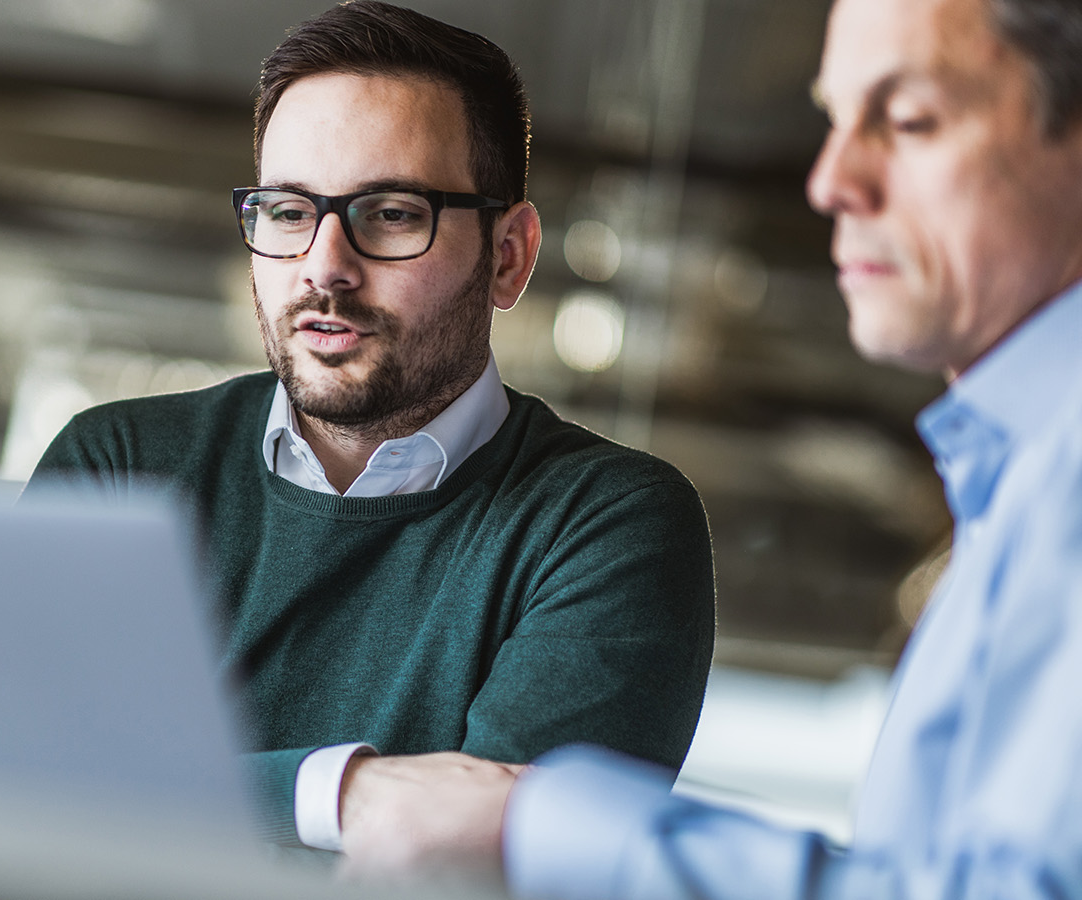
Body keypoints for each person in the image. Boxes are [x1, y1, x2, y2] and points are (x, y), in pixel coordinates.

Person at [333, 0, 1082, 894]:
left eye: (911, 119)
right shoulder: (1016, 480)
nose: (831, 180)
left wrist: (552, 826)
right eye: (836, 119)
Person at [27, 1, 715, 853]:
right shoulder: (120, 467)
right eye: (287, 211)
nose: (324, 266)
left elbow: (488, 868)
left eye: (391, 213)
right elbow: (12, 791)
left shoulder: (606, 526)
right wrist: (347, 796)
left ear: (508, 257)